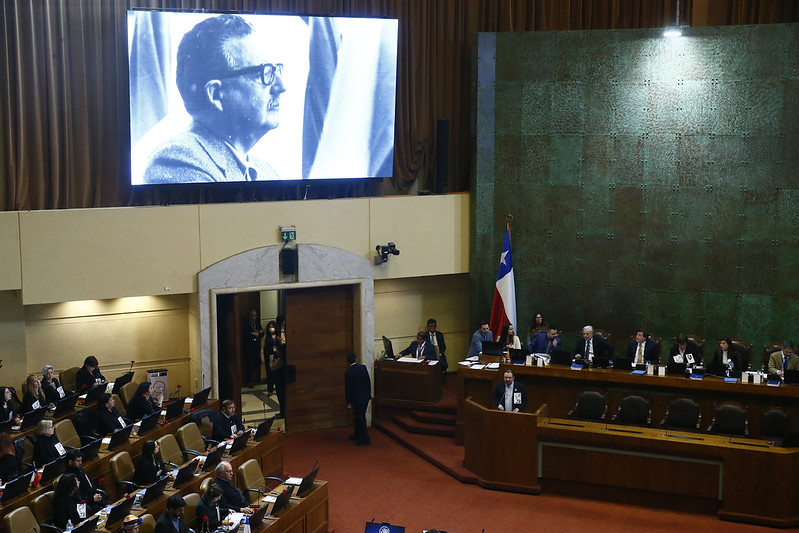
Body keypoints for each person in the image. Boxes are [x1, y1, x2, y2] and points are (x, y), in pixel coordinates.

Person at [142, 14, 286, 184]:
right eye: (264, 73)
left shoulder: (267, 172)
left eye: (276, 70)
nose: (281, 87)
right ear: (216, 94)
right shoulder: (179, 161)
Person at [344, 352, 372, 446]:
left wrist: (348, 401)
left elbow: (348, 388)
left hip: (356, 399)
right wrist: (369, 394)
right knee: (359, 417)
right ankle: (357, 435)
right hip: (365, 397)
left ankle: (365, 438)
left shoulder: (348, 372)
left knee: (360, 418)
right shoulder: (363, 368)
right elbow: (368, 381)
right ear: (356, 359)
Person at [243, 309, 265, 387]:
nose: (253, 317)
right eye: (252, 315)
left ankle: (252, 378)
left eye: (255, 315)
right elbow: (246, 334)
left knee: (258, 362)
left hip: (256, 347)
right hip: (249, 348)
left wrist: (257, 333)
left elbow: (262, 332)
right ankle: (249, 380)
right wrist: (254, 334)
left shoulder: (257, 323)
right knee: (249, 364)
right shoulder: (246, 324)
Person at [272, 315, 287, 418]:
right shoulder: (277, 333)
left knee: (282, 393)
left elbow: (272, 367)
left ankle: (283, 412)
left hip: (282, 367)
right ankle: (283, 411)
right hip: (280, 367)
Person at [261, 320, 279, 395]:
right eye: (270, 327)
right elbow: (262, 347)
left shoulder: (278, 336)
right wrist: (262, 358)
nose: (271, 328)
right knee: (269, 374)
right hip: (269, 357)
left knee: (277, 374)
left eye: (272, 327)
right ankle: (270, 390)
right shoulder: (266, 336)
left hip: (277, 357)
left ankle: (277, 389)